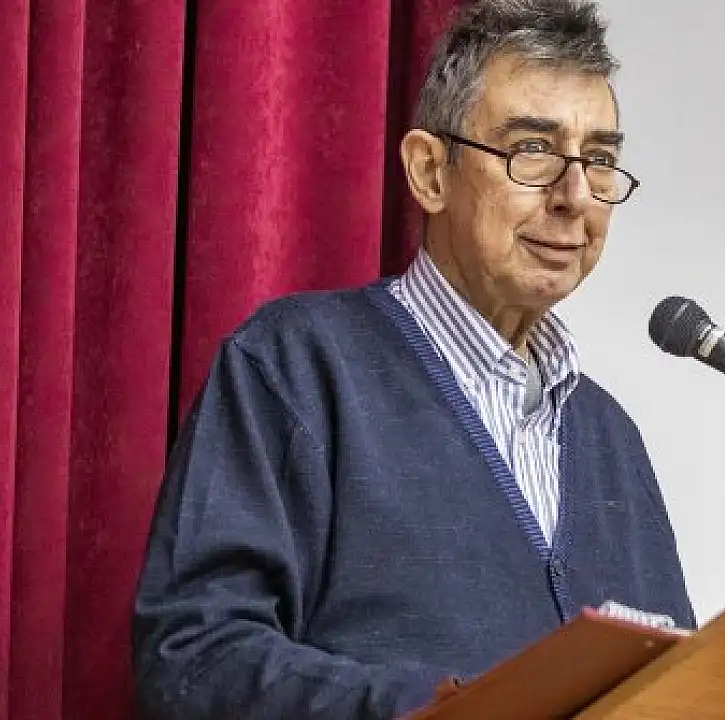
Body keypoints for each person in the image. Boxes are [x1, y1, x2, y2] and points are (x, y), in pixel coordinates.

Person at [131, 1, 695, 717]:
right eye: (533, 150)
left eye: (601, 161)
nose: (575, 197)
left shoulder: (611, 437)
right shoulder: (294, 366)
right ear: (430, 172)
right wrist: (438, 708)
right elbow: (194, 658)